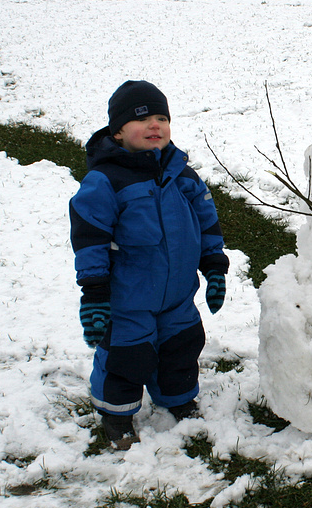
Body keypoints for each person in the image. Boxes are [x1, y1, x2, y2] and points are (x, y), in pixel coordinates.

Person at [69, 80, 228, 451]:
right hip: (128, 298)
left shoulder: (181, 174)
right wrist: (94, 290)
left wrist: (215, 266)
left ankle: (178, 399)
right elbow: (89, 236)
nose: (155, 126)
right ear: (119, 130)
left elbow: (207, 222)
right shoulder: (105, 180)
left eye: (162, 118)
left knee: (182, 346)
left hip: (176, 294)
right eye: (142, 119)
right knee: (127, 355)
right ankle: (116, 414)